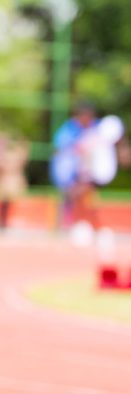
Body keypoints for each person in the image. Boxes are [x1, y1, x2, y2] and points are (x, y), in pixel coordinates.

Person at [52, 103, 130, 286]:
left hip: (93, 177)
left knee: (87, 205)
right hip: (83, 176)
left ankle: (91, 228)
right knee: (82, 204)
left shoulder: (101, 130)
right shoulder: (72, 131)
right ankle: (84, 226)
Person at [0, 131, 29, 232]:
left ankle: (5, 223)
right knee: (2, 204)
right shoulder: (5, 155)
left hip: (10, 183)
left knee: (8, 204)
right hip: (5, 183)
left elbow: (22, 159)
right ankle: (1, 223)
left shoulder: (12, 155)